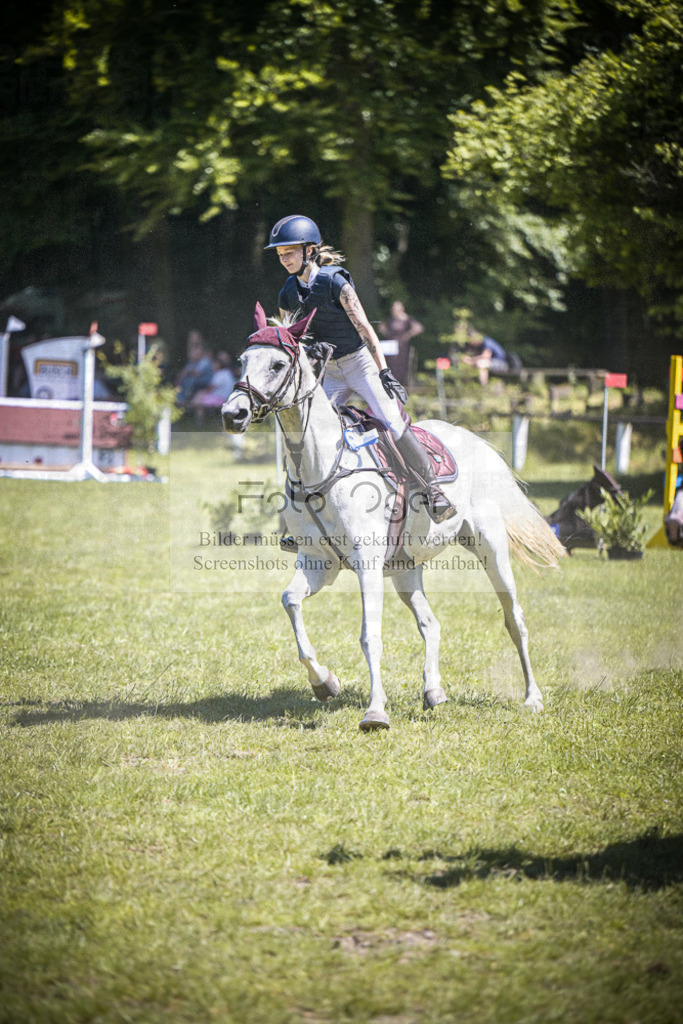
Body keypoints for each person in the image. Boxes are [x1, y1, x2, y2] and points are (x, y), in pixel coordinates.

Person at [265, 214, 455, 524]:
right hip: (329, 372)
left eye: (289, 252)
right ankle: (295, 513)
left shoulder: (335, 281)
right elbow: (291, 340)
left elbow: (366, 329)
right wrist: (308, 351)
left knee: (392, 420)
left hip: (360, 364)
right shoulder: (287, 291)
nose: (284, 259)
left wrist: (384, 372)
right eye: (280, 254)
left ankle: (434, 492)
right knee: (304, 432)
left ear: (309, 251)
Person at [378, 300, 424, 387]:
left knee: (401, 367)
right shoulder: (391, 320)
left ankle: (400, 385)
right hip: (391, 346)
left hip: (402, 347)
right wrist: (388, 334)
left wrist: (408, 335)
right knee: (390, 365)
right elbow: (381, 327)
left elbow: (419, 328)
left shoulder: (406, 319)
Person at [189, 351, 237, 423]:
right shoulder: (228, 373)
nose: (213, 366)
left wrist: (200, 394)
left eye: (214, 364)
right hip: (227, 398)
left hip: (220, 399)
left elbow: (210, 388)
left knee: (199, 401)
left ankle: (198, 422)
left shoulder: (219, 374)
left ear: (218, 365)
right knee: (200, 397)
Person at [175, 330, 214, 406]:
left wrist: (186, 372)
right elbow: (184, 373)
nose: (193, 353)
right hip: (194, 383)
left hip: (203, 383)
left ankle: (184, 401)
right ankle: (179, 399)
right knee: (182, 380)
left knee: (190, 381)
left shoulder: (205, 360)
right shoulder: (192, 363)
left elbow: (196, 373)